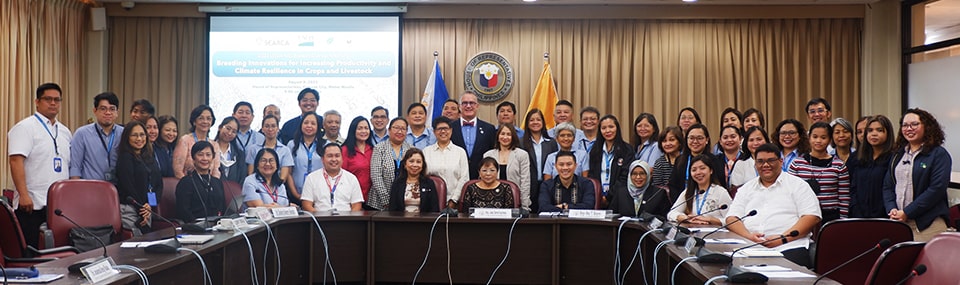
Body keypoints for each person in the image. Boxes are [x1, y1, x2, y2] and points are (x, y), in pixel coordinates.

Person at [725, 143, 821, 268]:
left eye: (770, 160)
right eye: (760, 161)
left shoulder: (798, 185)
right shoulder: (746, 188)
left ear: (781, 161)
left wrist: (782, 238)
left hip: (788, 247)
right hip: (749, 248)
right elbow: (731, 218)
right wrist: (749, 237)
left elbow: (812, 217)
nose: (765, 165)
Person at [8, 83, 72, 247]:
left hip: (58, 206)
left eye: (57, 100)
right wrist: (23, 194)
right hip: (32, 204)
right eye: (48, 99)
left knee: (57, 252)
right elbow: (15, 161)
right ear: (37, 101)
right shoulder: (25, 127)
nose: (53, 103)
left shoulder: (64, 131)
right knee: (33, 251)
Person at [884, 108, 952, 242]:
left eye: (914, 124)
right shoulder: (897, 154)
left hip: (928, 224)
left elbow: (936, 189)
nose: (909, 128)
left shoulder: (938, 154)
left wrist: (908, 212)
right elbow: (888, 186)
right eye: (905, 125)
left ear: (927, 126)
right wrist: (892, 209)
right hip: (900, 223)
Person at [787, 122, 850, 222]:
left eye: (823, 137)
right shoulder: (797, 164)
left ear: (830, 140)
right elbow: (789, 192)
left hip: (831, 216)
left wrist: (842, 221)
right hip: (803, 215)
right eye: (815, 137)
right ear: (809, 138)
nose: (818, 141)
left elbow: (844, 197)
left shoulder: (839, 165)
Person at [116, 121, 162, 236]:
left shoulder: (149, 157)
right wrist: (142, 208)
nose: (139, 138)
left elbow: (158, 184)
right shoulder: (125, 158)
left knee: (147, 242)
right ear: (127, 138)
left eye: (142, 135)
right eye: (134, 135)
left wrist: (150, 205)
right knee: (137, 244)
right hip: (131, 209)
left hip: (146, 208)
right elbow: (128, 187)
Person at [70, 92, 123, 181]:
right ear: (95, 111)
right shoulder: (82, 134)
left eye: (112, 109)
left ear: (117, 112)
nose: (108, 113)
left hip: (118, 189)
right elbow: (75, 167)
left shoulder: (124, 133)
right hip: (90, 189)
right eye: (103, 109)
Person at [847, 115, 893, 218]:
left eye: (879, 130)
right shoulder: (857, 157)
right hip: (858, 216)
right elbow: (852, 188)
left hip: (884, 216)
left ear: (888, 133)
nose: (874, 134)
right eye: (870, 130)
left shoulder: (894, 157)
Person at [667, 124, 725, 203]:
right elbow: (673, 185)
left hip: (707, 204)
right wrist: (680, 204)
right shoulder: (680, 160)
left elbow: (720, 184)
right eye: (691, 138)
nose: (695, 141)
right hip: (683, 203)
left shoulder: (715, 161)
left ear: (707, 140)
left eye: (699, 138)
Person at [667, 155, 732, 225]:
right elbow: (671, 213)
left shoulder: (721, 192)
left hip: (715, 234)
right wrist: (685, 218)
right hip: (693, 232)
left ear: (711, 171)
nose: (698, 172)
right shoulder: (689, 191)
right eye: (694, 170)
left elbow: (732, 220)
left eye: (702, 168)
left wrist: (710, 220)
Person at [587, 115, 634, 208]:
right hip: (597, 197)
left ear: (617, 128)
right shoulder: (595, 150)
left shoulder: (627, 150)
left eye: (611, 127)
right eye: (604, 128)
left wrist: (608, 196)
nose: (608, 131)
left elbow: (625, 177)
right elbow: (592, 174)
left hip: (618, 197)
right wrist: (599, 195)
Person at [245, 115, 295, 201]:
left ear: (278, 129)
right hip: (258, 190)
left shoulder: (285, 150)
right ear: (262, 129)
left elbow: (283, 176)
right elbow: (251, 173)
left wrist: (272, 188)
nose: (270, 129)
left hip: (277, 190)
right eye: (267, 126)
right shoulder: (253, 149)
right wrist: (262, 187)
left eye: (273, 126)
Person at [424, 117, 470, 209]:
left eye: (446, 128)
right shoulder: (426, 151)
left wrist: (454, 200)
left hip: (455, 203)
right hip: (430, 201)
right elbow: (423, 177)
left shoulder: (460, 152)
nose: (443, 131)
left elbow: (464, 178)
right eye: (439, 129)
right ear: (434, 132)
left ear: (451, 130)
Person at [302, 143, 364, 212]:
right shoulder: (312, 178)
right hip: (320, 219)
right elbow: (306, 204)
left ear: (342, 158)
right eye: (330, 156)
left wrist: (348, 220)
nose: (334, 159)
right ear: (322, 159)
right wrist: (319, 219)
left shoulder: (351, 178)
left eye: (337, 156)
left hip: (346, 220)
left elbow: (357, 205)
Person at [175, 141, 227, 223]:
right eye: (200, 154)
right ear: (193, 158)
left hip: (217, 226)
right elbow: (183, 211)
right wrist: (198, 225)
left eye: (208, 155)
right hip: (195, 228)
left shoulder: (217, 182)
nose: (205, 158)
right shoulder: (186, 182)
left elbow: (223, 208)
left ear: (213, 158)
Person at [369, 118, 414, 210]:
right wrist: (386, 201)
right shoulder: (379, 148)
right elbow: (376, 175)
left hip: (404, 200)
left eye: (403, 129)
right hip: (379, 202)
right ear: (389, 130)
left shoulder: (411, 149)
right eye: (396, 128)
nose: (399, 131)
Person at [483, 125, 531, 210]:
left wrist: (524, 206)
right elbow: (483, 178)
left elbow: (525, 182)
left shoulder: (522, 155)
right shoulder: (488, 155)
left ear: (513, 137)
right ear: (498, 137)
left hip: (514, 200)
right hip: (492, 201)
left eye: (509, 134)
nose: (505, 137)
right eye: (502, 134)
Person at [450, 91, 496, 179]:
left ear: (477, 106)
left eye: (472, 103)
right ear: (459, 106)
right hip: (455, 176)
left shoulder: (489, 129)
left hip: (482, 178)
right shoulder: (450, 128)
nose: (468, 106)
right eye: (464, 103)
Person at [521, 109, 557, 213]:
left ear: (543, 122)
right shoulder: (521, 142)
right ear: (527, 123)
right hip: (529, 185)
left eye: (538, 120)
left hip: (547, 185)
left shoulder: (551, 142)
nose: (535, 122)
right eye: (532, 120)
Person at [172, 105, 222, 179]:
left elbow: (216, 171)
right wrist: (189, 185)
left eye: (208, 119)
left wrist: (213, 186)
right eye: (201, 118)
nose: (205, 121)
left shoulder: (214, 145)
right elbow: (178, 170)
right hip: (187, 185)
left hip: (208, 186)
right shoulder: (185, 140)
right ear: (194, 121)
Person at [388, 148, 440, 213]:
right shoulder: (397, 183)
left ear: (422, 165)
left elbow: (434, 209)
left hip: (424, 222)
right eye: (411, 161)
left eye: (418, 162)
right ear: (405, 164)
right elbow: (392, 210)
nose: (415, 165)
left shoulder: (429, 183)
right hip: (401, 222)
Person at [287, 112, 323, 200]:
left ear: (318, 127)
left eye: (313, 123)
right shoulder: (292, 144)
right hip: (297, 193)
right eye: (306, 123)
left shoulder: (325, 145)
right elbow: (288, 173)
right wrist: (295, 194)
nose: (309, 126)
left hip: (321, 194)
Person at [342, 116, 374, 201]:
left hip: (371, 199)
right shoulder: (345, 150)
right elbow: (341, 175)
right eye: (360, 128)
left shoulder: (374, 149)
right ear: (353, 130)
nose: (363, 131)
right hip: (351, 197)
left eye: (366, 128)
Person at [215, 117, 247, 184]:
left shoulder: (239, 154)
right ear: (220, 127)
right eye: (228, 128)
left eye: (234, 132)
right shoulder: (210, 149)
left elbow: (242, 178)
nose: (229, 133)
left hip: (233, 192)